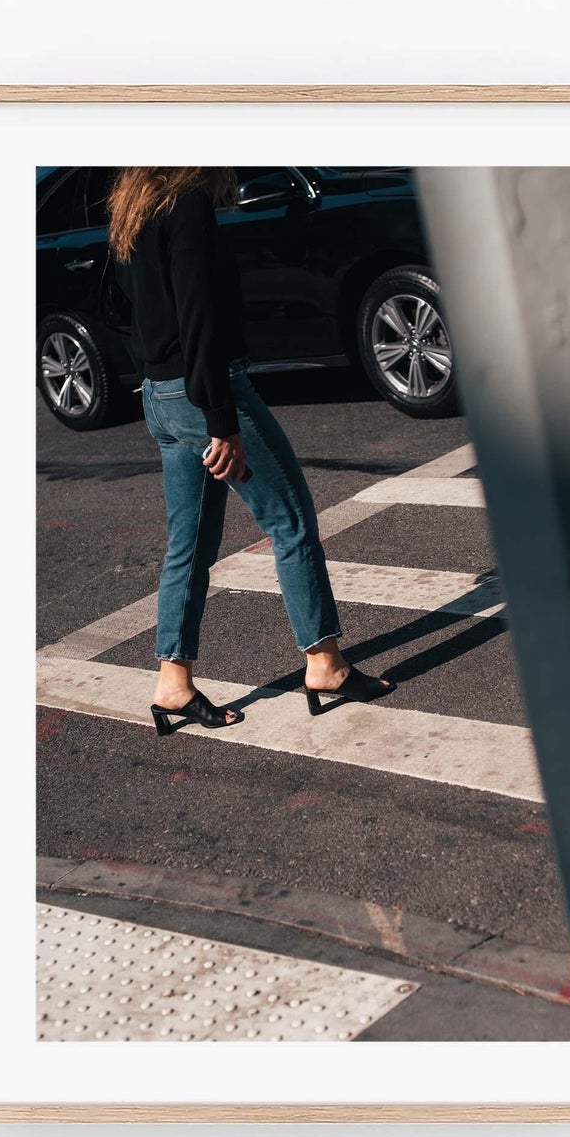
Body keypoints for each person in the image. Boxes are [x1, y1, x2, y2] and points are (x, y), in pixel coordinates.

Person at [108, 166, 393, 734]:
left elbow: (120, 308)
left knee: (188, 543)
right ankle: (325, 664)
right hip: (205, 394)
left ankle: (173, 682)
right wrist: (221, 420)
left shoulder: (131, 211)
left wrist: (159, 377)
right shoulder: (187, 203)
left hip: (159, 395)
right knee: (290, 522)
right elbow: (200, 314)